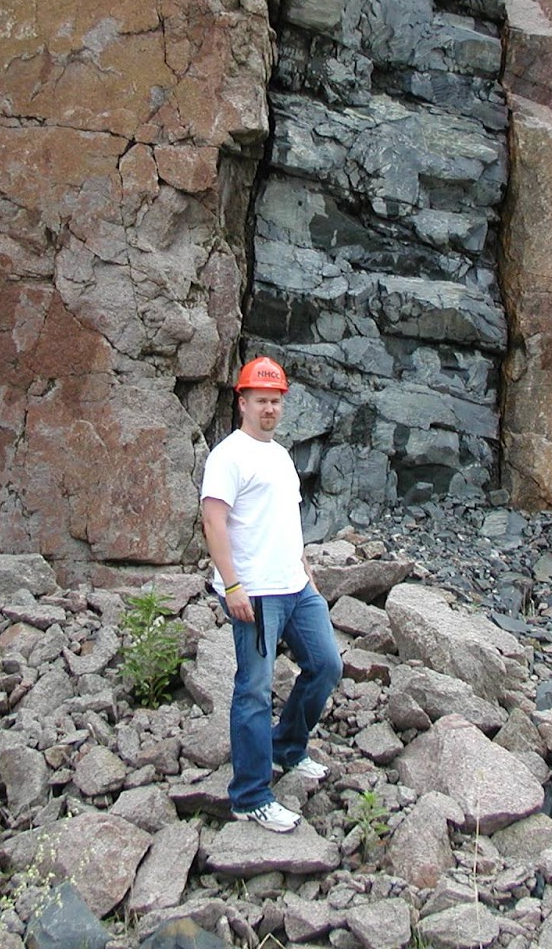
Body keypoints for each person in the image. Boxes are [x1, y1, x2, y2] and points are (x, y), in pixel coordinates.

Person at [201, 356, 343, 833]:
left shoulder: (280, 456)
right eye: (261, 401)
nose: (269, 410)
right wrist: (233, 585)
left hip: (296, 586)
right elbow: (213, 520)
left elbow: (287, 520)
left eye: (276, 401)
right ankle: (250, 795)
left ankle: (286, 748)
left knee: (326, 665)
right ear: (242, 403)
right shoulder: (229, 456)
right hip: (255, 593)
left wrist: (305, 571)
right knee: (255, 689)